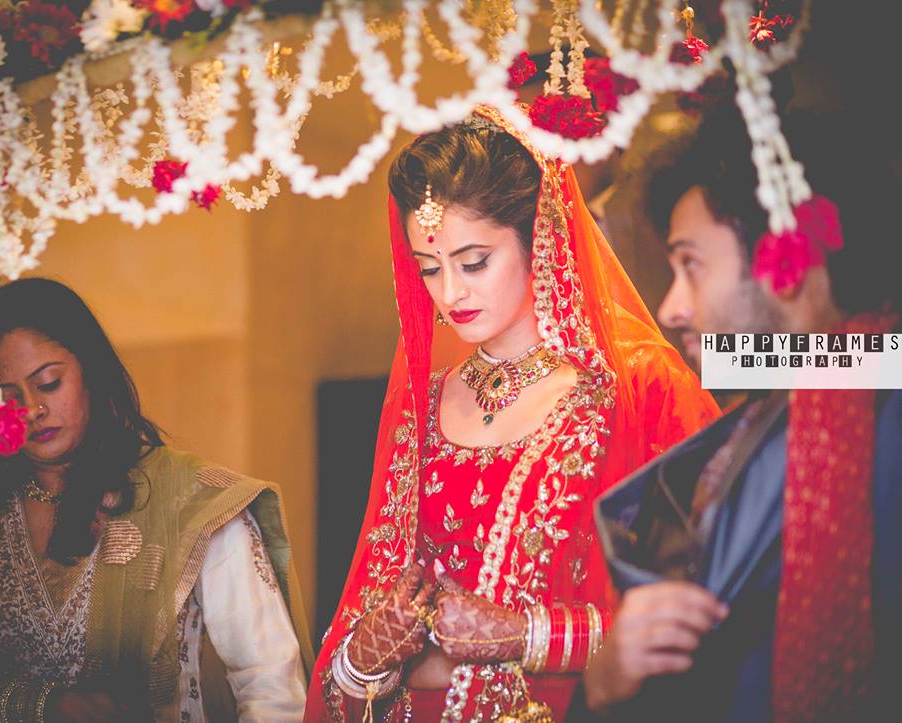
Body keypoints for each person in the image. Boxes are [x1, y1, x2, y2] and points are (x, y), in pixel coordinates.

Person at [304, 105, 721, 722]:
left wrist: (526, 634)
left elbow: (708, 605)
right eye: (429, 268)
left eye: (474, 262)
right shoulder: (423, 407)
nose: (451, 293)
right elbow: (367, 616)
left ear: (540, 240)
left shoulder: (635, 388)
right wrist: (364, 658)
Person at [578, 104, 902, 722]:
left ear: (786, 257)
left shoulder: (864, 402)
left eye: (690, 265)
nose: (671, 308)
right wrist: (605, 678)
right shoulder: (811, 382)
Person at [0, 277, 311, 722]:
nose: (32, 409)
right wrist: (46, 705)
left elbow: (271, 687)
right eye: (8, 397)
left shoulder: (192, 502)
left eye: (50, 383)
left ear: (91, 373)